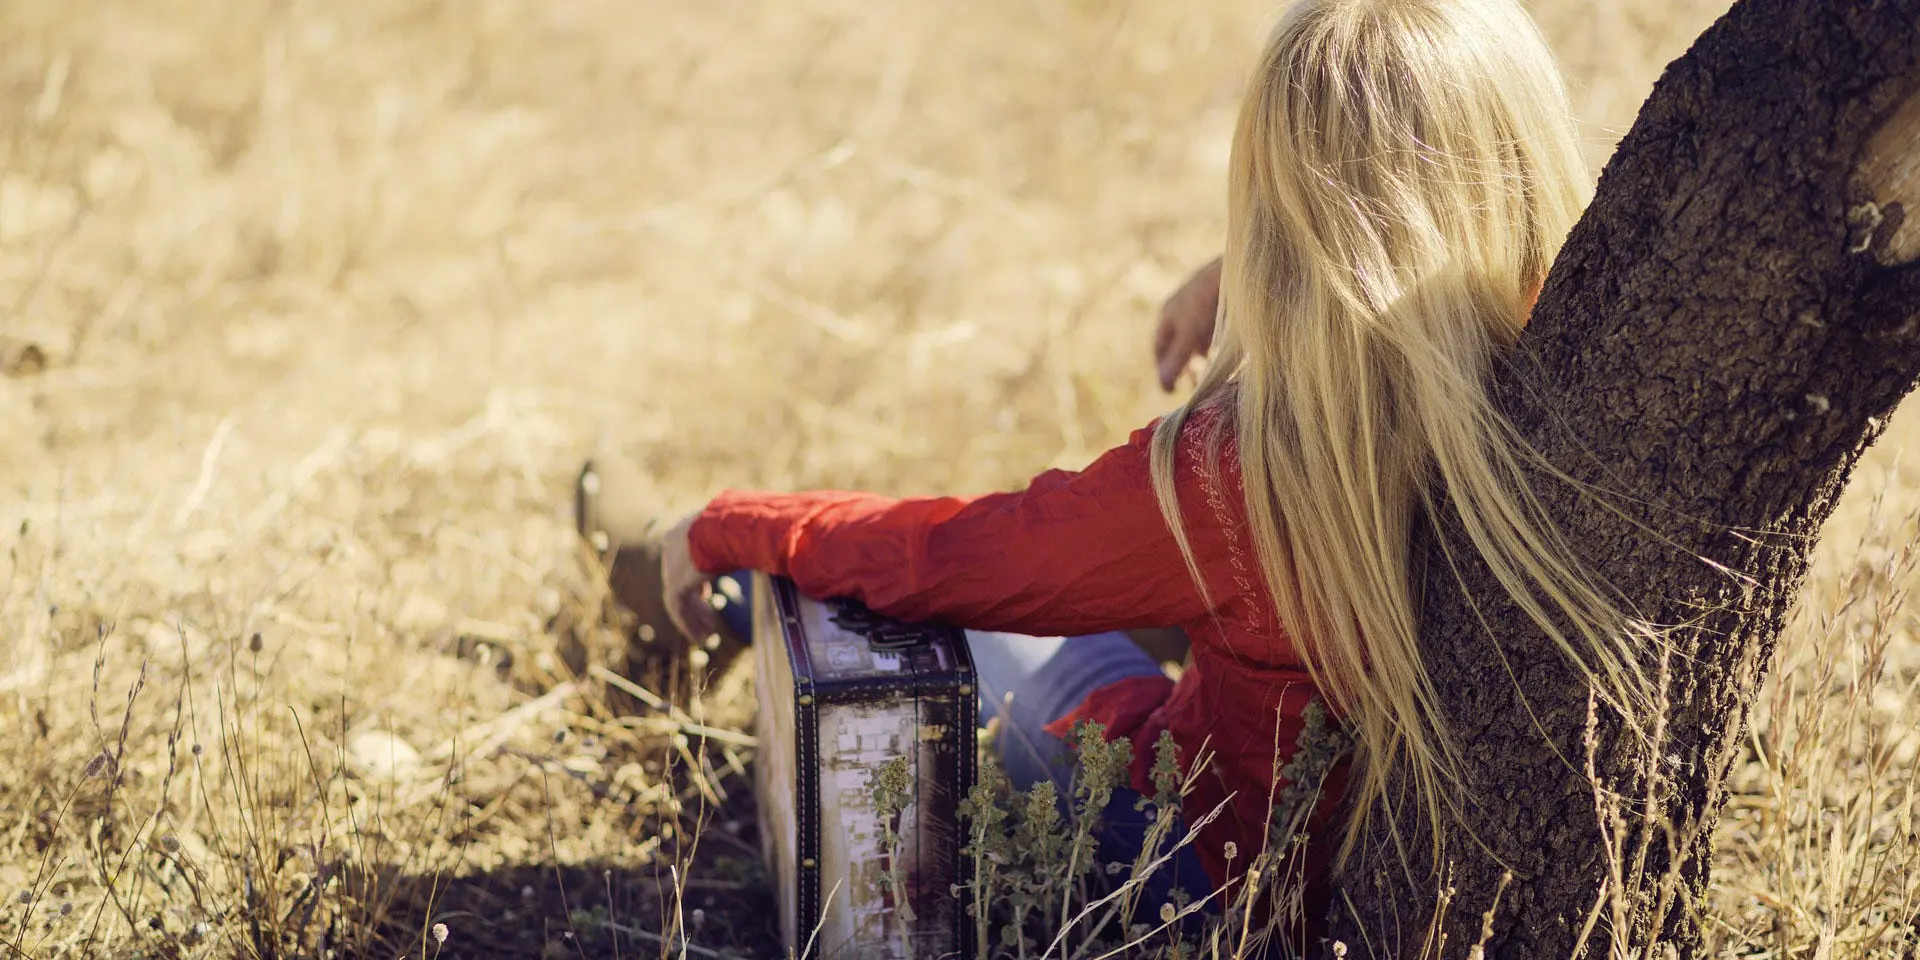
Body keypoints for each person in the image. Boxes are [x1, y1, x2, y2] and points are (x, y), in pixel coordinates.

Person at [600, 0, 1659, 942]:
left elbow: (949, 555)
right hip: (1340, 878)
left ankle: (684, 573)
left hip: (1188, 872)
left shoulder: (1233, 482)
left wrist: (727, 518)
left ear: (1273, 200)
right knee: (1124, 585)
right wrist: (1233, 277)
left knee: (979, 611)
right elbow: (1419, 254)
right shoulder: (1583, 371)